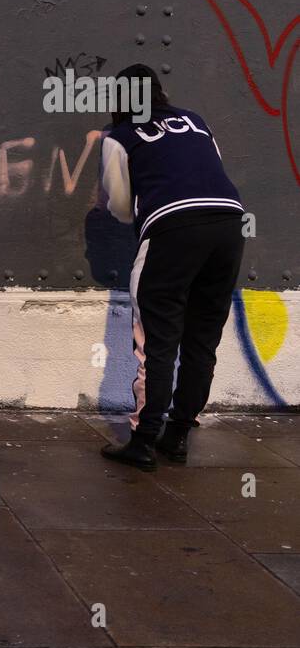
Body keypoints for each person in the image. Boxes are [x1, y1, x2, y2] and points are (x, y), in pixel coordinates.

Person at [98, 64, 245, 470]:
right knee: (202, 340)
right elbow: (209, 170)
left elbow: (123, 210)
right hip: (229, 225)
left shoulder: (121, 137)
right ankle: (177, 437)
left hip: (172, 229)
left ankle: (143, 442)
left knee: (157, 343)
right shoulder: (195, 121)